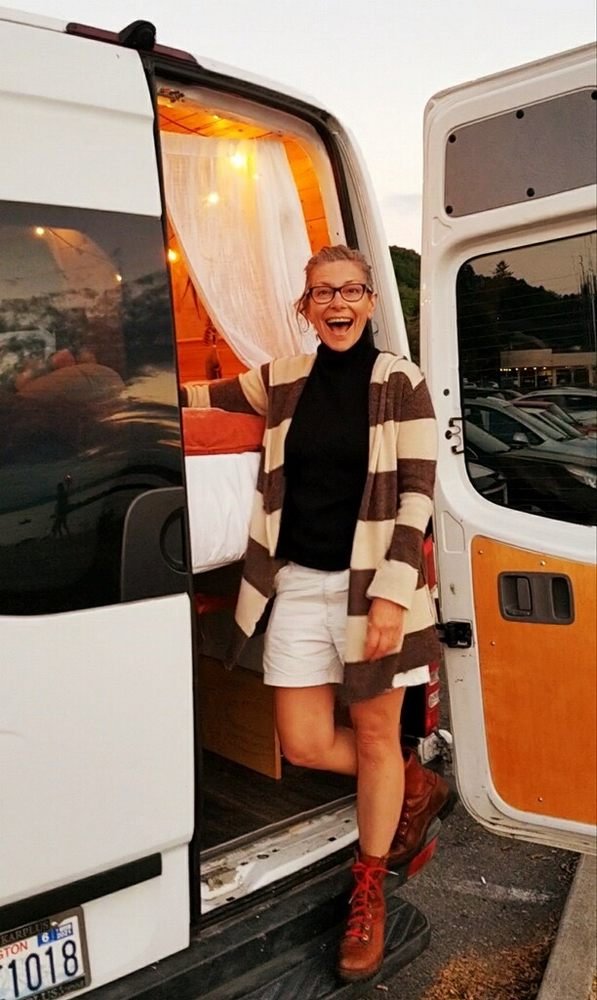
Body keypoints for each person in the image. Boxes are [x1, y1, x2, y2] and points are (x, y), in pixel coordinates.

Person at [183, 245, 454, 983]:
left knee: (369, 731)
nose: (336, 305)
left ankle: (366, 883)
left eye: (350, 291)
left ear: (369, 300)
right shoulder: (284, 378)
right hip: (298, 582)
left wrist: (395, 593)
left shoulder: (400, 380)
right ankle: (408, 780)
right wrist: (122, 390)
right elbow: (204, 399)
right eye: (321, 294)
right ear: (304, 308)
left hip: (375, 586)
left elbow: (419, 493)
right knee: (301, 740)